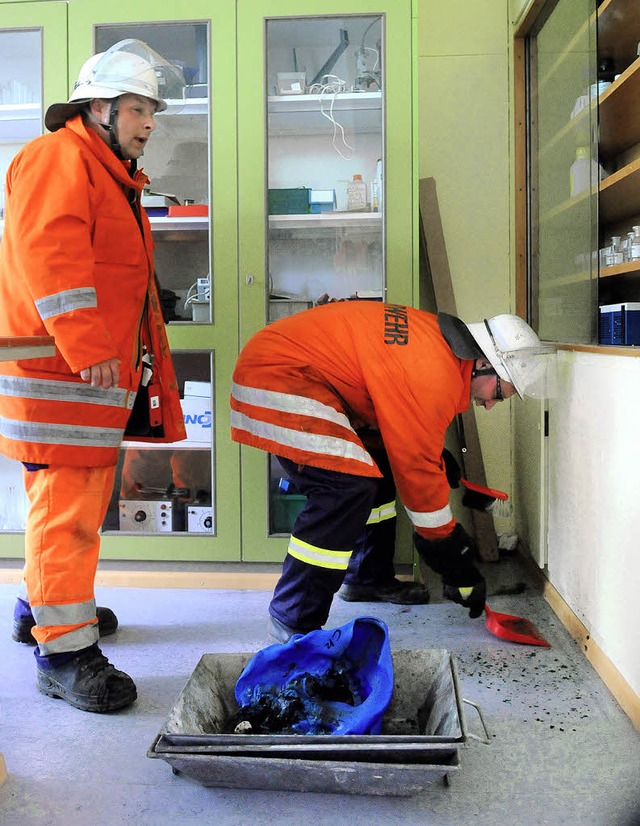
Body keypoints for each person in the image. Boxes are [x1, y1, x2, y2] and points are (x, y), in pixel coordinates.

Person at [0, 39, 187, 712]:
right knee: (68, 516)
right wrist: (86, 343)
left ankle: (42, 610)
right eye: (139, 109)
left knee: (62, 509)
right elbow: (49, 256)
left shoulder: (99, 167)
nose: (149, 123)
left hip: (74, 376)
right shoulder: (61, 158)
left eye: (151, 111)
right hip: (64, 376)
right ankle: (65, 654)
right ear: (102, 108)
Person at [229, 301, 554, 642]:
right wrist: (451, 558)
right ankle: (292, 619)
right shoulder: (434, 374)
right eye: (500, 394)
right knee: (344, 489)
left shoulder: (437, 350)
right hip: (277, 374)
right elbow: (417, 475)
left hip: (297, 371)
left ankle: (367, 577)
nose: (489, 404)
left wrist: (435, 459)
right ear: (485, 364)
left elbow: (405, 432)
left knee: (378, 470)